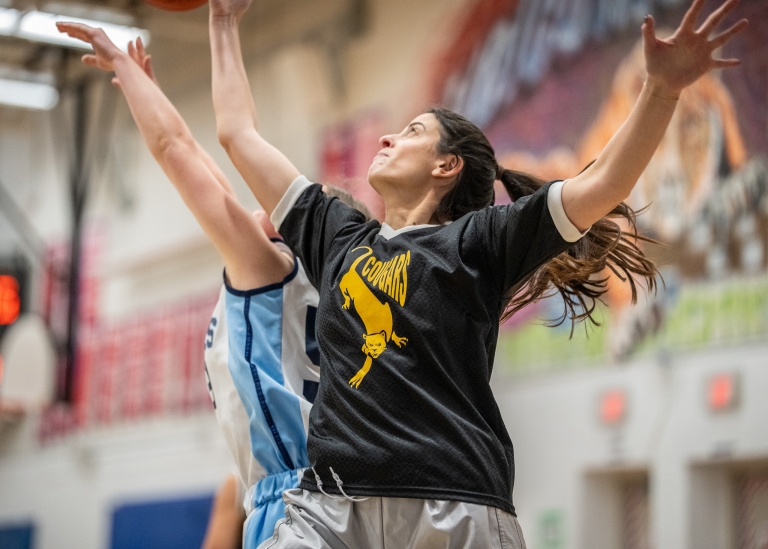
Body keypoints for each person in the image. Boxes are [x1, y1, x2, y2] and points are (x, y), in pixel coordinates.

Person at [206, 1, 747, 547]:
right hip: (336, 506)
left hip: (454, 501)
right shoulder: (339, 238)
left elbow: (603, 183)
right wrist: (223, 21)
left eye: (411, 131)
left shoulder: (479, 242)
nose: (387, 138)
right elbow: (237, 134)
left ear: (446, 165)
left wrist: (661, 89)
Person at [54, 24, 371, 548]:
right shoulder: (304, 282)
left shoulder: (270, 269)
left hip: (298, 505)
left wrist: (127, 69)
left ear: (293, 229)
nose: (260, 202)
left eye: (277, 204)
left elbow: (175, 150)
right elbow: (203, 165)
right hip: (337, 502)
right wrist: (147, 91)